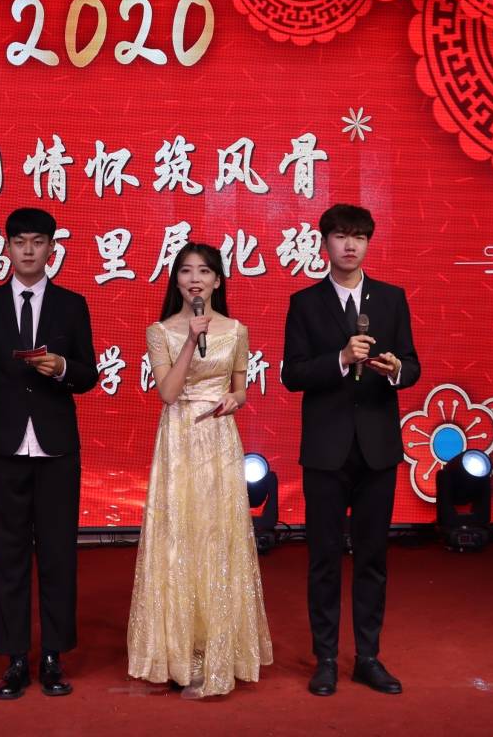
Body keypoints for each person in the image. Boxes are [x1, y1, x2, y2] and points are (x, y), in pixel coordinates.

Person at [283, 204, 420, 697]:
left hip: (378, 448)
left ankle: (367, 657)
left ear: (368, 244)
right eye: (341, 236)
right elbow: (292, 374)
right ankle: (325, 658)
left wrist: (396, 369)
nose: (350, 245)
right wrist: (340, 359)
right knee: (323, 558)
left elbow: (413, 364)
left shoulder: (391, 298)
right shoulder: (305, 303)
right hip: (326, 449)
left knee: (372, 557)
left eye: (359, 237)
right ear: (325, 244)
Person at [0, 207, 98, 701]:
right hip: (2, 448)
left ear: (52, 249)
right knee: (8, 555)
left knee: (59, 555)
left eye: (37, 242)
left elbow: (88, 374)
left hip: (57, 448)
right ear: (6, 247)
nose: (28, 250)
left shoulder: (72, 304)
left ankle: (54, 657)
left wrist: (61, 367)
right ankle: (16, 658)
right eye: (19, 242)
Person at [127, 243, 273, 699]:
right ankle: (178, 653)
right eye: (187, 271)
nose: (195, 279)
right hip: (179, 438)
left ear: (218, 281)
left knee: (218, 536)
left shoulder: (236, 330)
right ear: (176, 280)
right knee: (179, 538)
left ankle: (218, 650)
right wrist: (190, 340)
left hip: (220, 437)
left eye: (204, 271)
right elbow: (168, 393)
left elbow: (241, 389)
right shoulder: (160, 331)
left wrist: (235, 400)